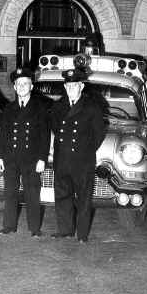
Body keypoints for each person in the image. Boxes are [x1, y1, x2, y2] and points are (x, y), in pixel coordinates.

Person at [49, 68, 105, 243]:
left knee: (83, 198)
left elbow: (99, 134)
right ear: (65, 87)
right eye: (68, 85)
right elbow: (55, 129)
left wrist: (85, 151)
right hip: (62, 159)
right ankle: (65, 230)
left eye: (75, 85)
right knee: (62, 196)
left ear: (81, 86)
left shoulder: (91, 107)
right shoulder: (58, 106)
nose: (71, 88)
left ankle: (82, 234)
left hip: (82, 161)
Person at [0, 67, 49, 237]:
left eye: (26, 83)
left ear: (32, 86)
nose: (22, 87)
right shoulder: (9, 108)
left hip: (31, 159)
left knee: (32, 193)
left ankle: (34, 229)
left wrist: (42, 158)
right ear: (14, 87)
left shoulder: (40, 108)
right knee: (10, 193)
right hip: (11, 158)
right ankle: (9, 226)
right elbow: (3, 135)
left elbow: (44, 136)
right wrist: (0, 158)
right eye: (19, 84)